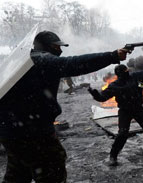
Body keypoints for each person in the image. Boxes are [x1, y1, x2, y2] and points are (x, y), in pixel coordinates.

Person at [0, 30, 128, 182]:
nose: (60, 50)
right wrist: (112, 56)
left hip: (11, 131)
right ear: (47, 46)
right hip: (34, 131)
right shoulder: (40, 59)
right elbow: (73, 64)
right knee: (53, 171)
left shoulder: (19, 63)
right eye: (57, 47)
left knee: (19, 172)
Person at [88, 61, 143, 166]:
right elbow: (103, 97)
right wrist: (95, 94)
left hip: (138, 109)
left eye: (127, 71)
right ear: (120, 74)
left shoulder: (136, 77)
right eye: (125, 71)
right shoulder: (114, 85)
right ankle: (113, 156)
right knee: (123, 134)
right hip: (125, 111)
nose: (127, 73)